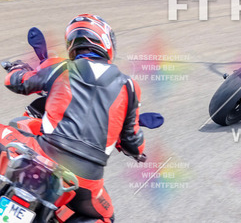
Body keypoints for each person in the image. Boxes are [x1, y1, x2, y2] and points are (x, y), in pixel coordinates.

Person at [0, 14, 145, 223]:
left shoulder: (61, 67)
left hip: (46, 153)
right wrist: (138, 152)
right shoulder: (130, 86)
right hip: (86, 181)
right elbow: (133, 142)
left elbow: (16, 82)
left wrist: (17, 68)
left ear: (72, 44)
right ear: (106, 43)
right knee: (105, 216)